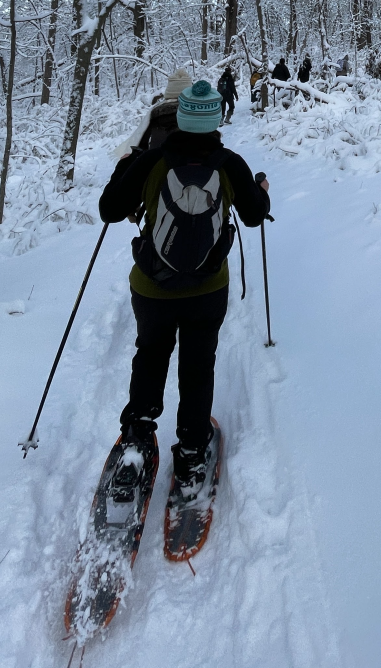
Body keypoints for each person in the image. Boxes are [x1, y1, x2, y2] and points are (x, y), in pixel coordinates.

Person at [98, 80, 271, 503]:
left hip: (152, 288)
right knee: (197, 366)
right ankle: (192, 454)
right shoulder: (230, 164)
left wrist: (126, 168)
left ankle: (137, 442)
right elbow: (253, 216)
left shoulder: (152, 160)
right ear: (216, 120)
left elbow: (108, 209)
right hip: (207, 289)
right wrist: (261, 192)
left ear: (179, 118)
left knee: (151, 354)